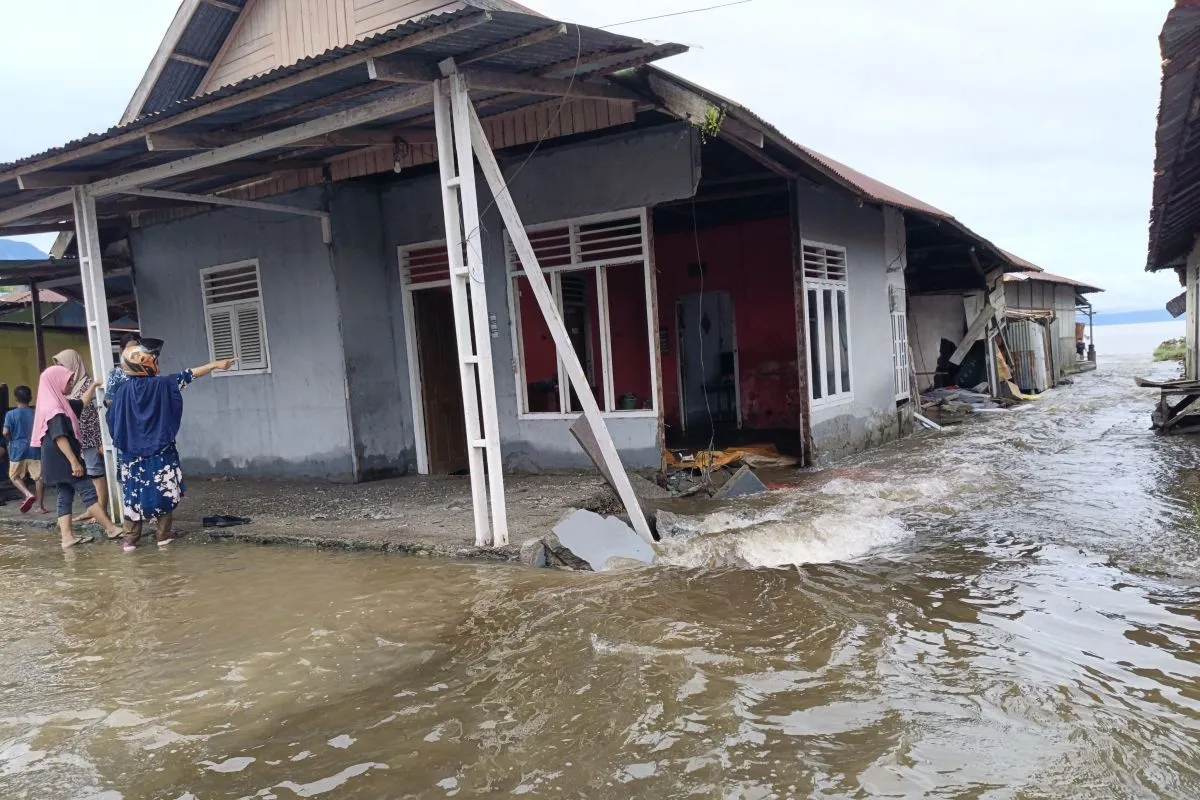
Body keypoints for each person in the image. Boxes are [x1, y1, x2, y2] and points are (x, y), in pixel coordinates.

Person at [109, 342, 235, 551]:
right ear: (146, 364)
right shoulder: (162, 384)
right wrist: (215, 364)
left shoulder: (122, 391)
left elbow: (112, 417)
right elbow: (188, 375)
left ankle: (130, 539)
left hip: (131, 454)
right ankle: (163, 536)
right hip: (160, 450)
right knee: (163, 492)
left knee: (133, 495)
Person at [33, 365, 123, 549]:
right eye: (68, 381)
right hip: (64, 459)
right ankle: (111, 528)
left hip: (54, 462)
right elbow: (60, 437)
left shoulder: (60, 403)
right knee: (87, 490)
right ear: (55, 381)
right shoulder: (55, 409)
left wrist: (94, 385)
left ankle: (67, 537)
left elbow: (80, 403)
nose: (71, 384)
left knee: (64, 494)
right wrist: (74, 461)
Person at [53, 350, 109, 522]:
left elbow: (102, 413)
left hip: (92, 438)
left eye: (62, 365)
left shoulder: (88, 384)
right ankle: (93, 510)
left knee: (96, 475)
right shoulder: (68, 387)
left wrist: (103, 440)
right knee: (88, 476)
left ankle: (102, 511)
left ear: (73, 364)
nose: (60, 368)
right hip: (79, 440)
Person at [4, 386, 47, 513]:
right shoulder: (35, 413)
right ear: (30, 398)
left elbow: (5, 432)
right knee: (38, 477)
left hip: (17, 449)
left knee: (14, 476)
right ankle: (40, 507)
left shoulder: (10, 414)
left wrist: (11, 439)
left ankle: (28, 494)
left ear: (16, 398)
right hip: (35, 447)